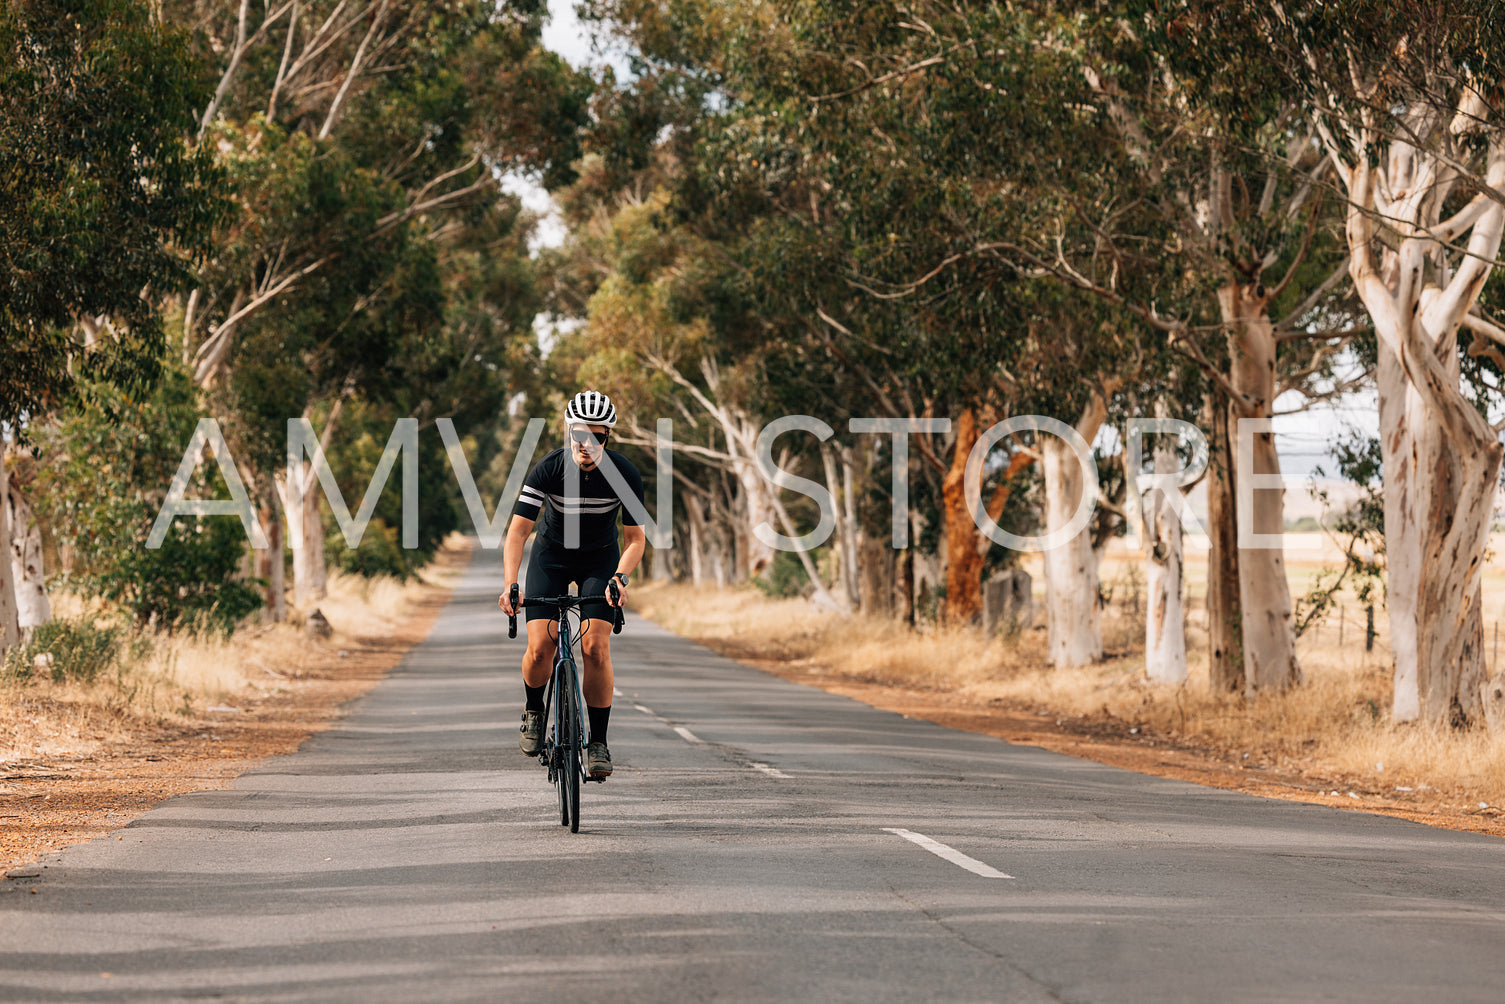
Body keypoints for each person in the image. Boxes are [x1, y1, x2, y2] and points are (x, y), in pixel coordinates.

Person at [497, 390, 645, 779]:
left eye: (597, 436)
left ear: (608, 438)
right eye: (579, 434)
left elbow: (634, 540)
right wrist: (511, 584)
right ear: (569, 432)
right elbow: (516, 534)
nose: (587, 444)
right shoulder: (548, 469)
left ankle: (598, 743)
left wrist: (620, 576)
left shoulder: (625, 474)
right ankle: (534, 709)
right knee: (540, 647)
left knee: (596, 648)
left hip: (600, 559)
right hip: (552, 557)